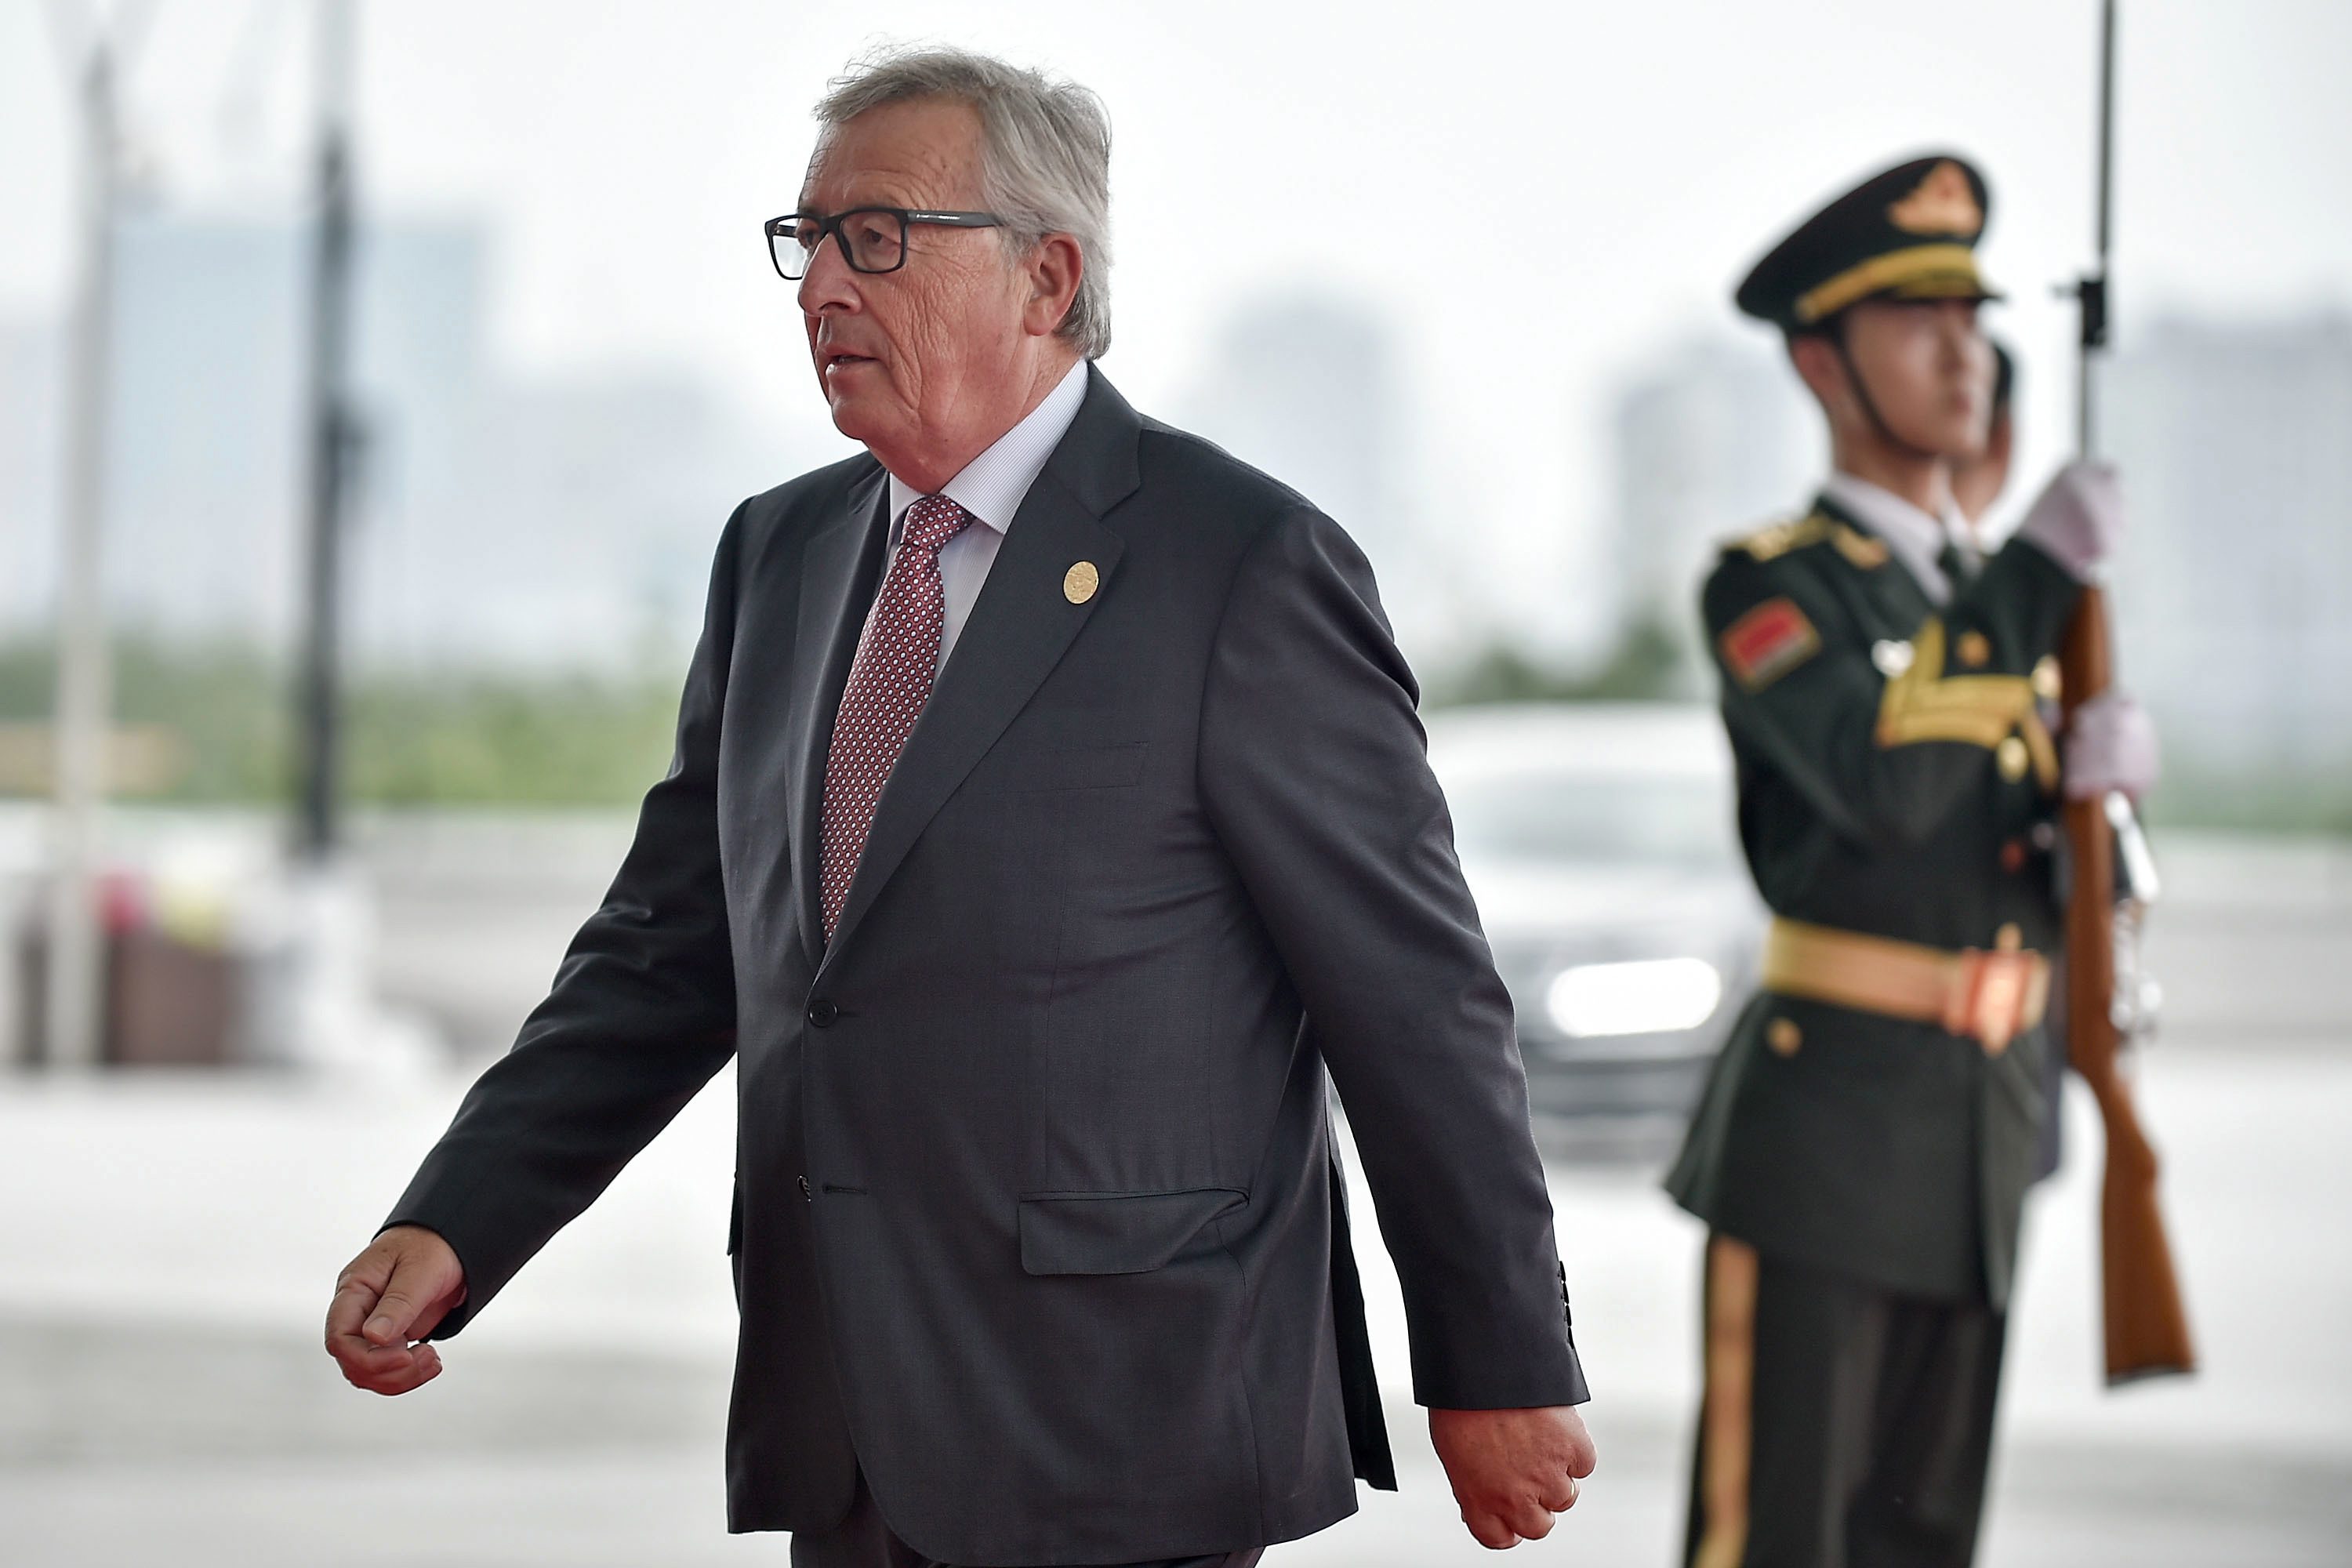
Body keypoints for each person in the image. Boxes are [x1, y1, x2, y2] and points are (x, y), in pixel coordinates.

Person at [323, 45, 1595, 1568]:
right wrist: (461, 1215)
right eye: (808, 242)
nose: (819, 288)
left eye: (880, 239)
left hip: (1127, 1412)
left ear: (1047, 276)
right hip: (850, 1398)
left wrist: (1498, 1357)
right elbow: (669, 951)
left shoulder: (1237, 564)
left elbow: (1414, 1002)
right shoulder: (777, 558)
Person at [1664, 154, 2157, 1567]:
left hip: (1981, 1142)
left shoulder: (1978, 609)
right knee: (1779, 1545)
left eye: (1974, 316)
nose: (1968, 352)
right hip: (1827, 1149)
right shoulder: (1775, 582)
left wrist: (2101, 809)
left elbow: (2028, 883)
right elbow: (1889, 782)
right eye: (1918, 320)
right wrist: (2026, 583)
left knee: (1926, 1545)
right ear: (1822, 361)